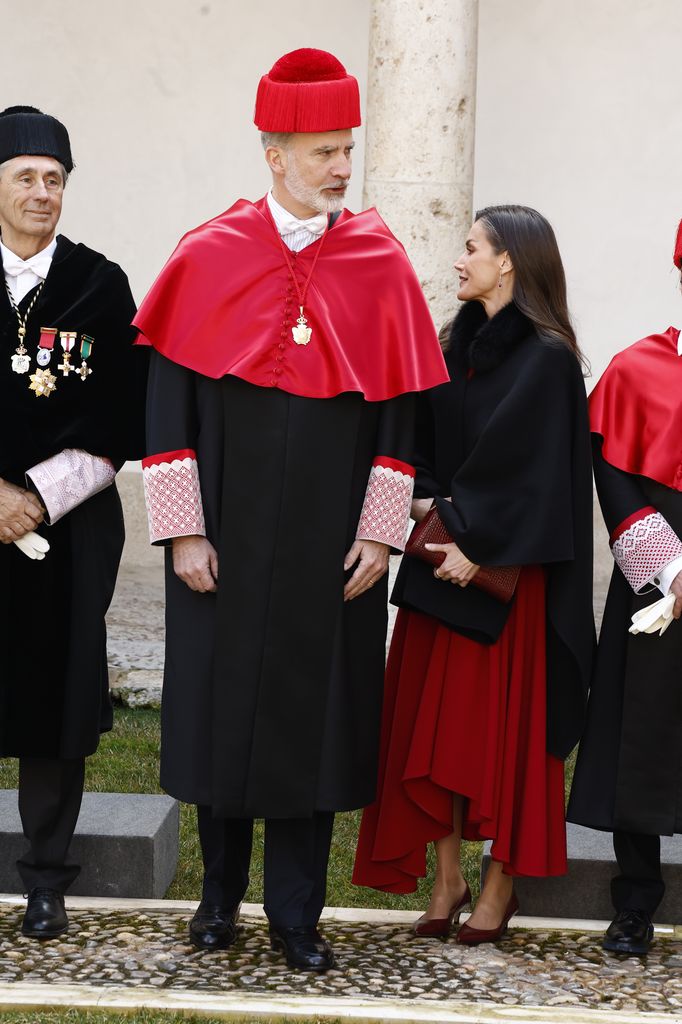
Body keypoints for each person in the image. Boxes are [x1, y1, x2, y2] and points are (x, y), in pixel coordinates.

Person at [135, 48, 447, 971]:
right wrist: (183, 526)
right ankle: (218, 900)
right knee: (222, 714)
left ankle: (297, 917)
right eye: (323, 153)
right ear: (275, 154)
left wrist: (380, 533)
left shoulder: (379, 261)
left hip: (328, 548)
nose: (341, 168)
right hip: (220, 538)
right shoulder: (206, 254)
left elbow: (400, 418)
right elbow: (167, 412)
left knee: (311, 729)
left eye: (346, 150)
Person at [353, 205, 595, 944]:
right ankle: (447, 876)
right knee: (433, 732)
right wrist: (438, 521)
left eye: (470, 249)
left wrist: (482, 545)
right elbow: (418, 445)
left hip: (507, 582)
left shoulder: (551, 359)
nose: (459, 261)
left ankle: (499, 886)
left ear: (510, 262)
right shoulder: (448, 345)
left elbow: (548, 478)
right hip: (437, 567)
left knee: (495, 738)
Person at [0, 106, 147, 938]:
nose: (42, 193)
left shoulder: (100, 283)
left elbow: (121, 416)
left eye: (54, 180)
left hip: (70, 527)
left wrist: (34, 500)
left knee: (56, 705)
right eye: (25, 176)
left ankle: (46, 877)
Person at [567, 220, 682, 956]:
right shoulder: (637, 370)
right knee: (644, 734)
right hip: (658, 586)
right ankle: (636, 899)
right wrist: (671, 571)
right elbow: (612, 475)